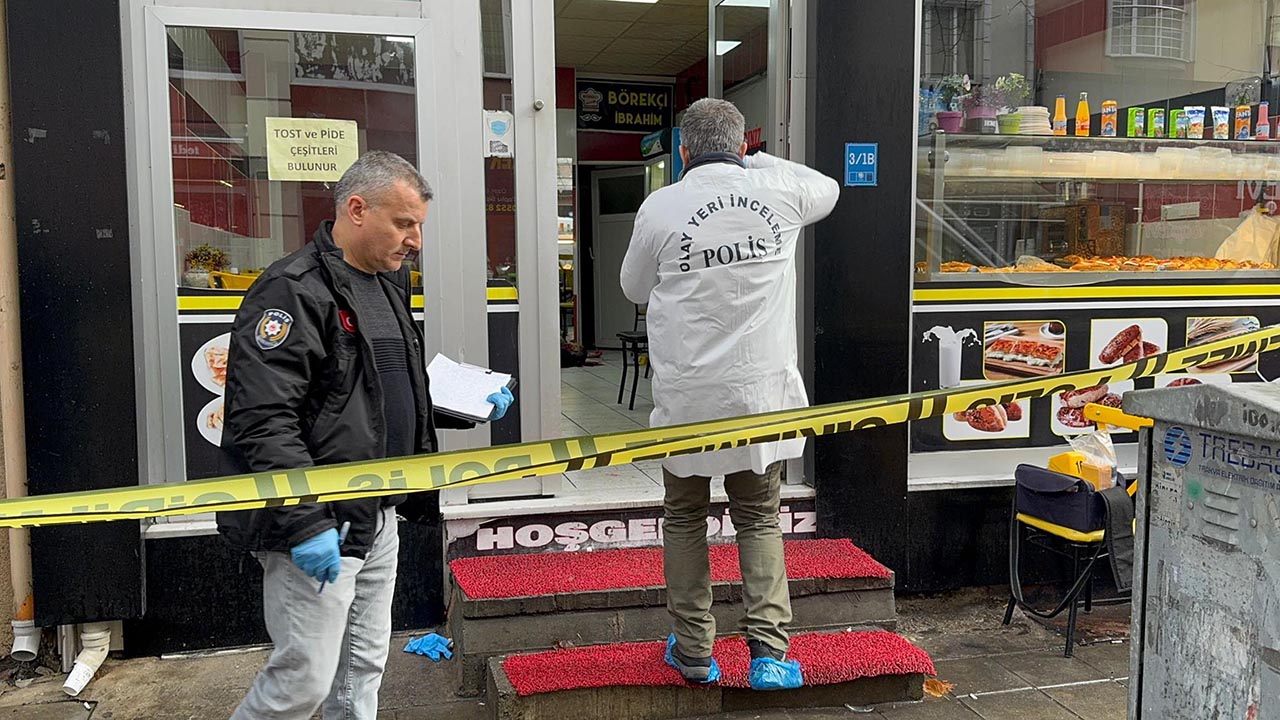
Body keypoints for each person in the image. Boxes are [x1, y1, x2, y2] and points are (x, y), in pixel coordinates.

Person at [218, 150, 514, 719]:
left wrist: (459, 407)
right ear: (357, 209)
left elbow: (374, 393)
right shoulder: (292, 290)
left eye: (419, 226)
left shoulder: (385, 284)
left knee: (360, 674)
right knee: (301, 681)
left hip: (377, 515)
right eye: (405, 223)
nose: (415, 241)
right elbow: (264, 418)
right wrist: (305, 521)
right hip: (316, 522)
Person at [620, 98, 839, 690]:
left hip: (689, 400)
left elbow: (633, 286)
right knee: (760, 518)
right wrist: (760, 162)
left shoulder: (661, 207)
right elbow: (827, 186)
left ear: (682, 151)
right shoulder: (781, 195)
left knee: (685, 518)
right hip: (760, 398)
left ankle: (693, 650)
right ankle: (769, 654)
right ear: (743, 146)